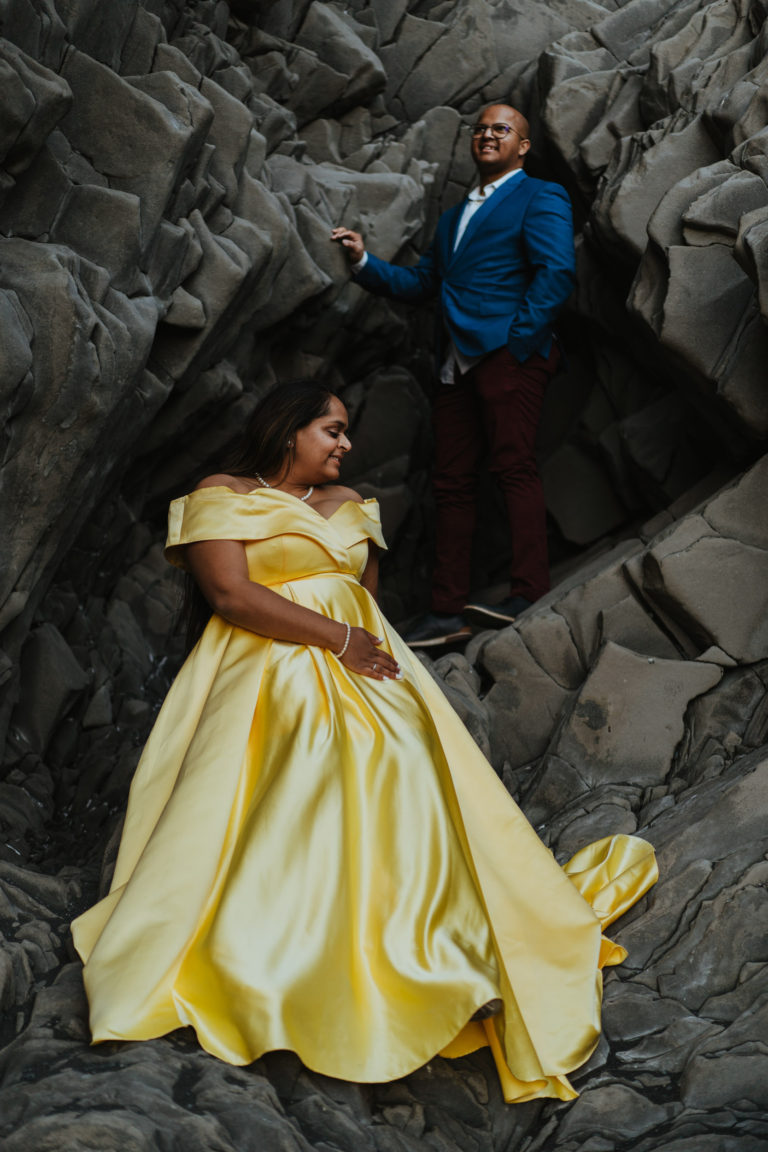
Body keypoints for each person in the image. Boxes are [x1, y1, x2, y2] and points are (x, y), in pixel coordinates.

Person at [71, 381, 656, 1104]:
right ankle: (285, 962)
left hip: (369, 668)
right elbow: (229, 594)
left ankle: (448, 955)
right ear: (288, 430)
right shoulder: (221, 490)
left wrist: (358, 647)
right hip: (265, 668)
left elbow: (367, 602)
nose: (345, 445)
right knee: (307, 764)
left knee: (407, 773)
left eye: (346, 433)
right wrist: (336, 639)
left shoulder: (351, 505)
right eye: (332, 429)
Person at [331, 104, 575, 648]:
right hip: (452, 364)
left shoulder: (541, 195)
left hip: (507, 353)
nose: (489, 134)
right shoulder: (452, 218)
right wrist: (365, 263)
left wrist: (516, 343)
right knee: (452, 483)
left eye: (503, 128)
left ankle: (529, 592)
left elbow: (556, 272)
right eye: (482, 128)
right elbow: (424, 285)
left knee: (513, 467)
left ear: (524, 145)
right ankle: (446, 612)